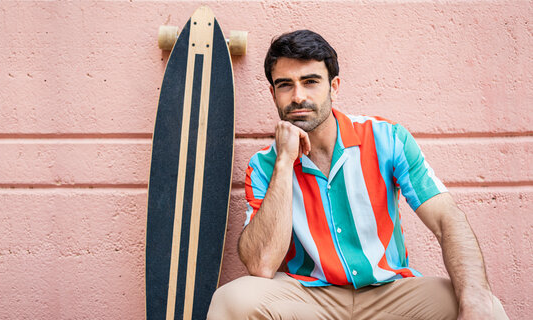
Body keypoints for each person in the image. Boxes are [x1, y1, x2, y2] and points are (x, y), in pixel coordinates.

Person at [207, 30, 508, 319]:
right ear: (273, 94)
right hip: (309, 296)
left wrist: (475, 301)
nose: (298, 96)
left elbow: (447, 219)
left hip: (389, 293)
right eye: (285, 85)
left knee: (487, 307)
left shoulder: (387, 139)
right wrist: (284, 161)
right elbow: (261, 265)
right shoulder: (263, 165)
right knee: (231, 301)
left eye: (310, 81)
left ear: (334, 87)